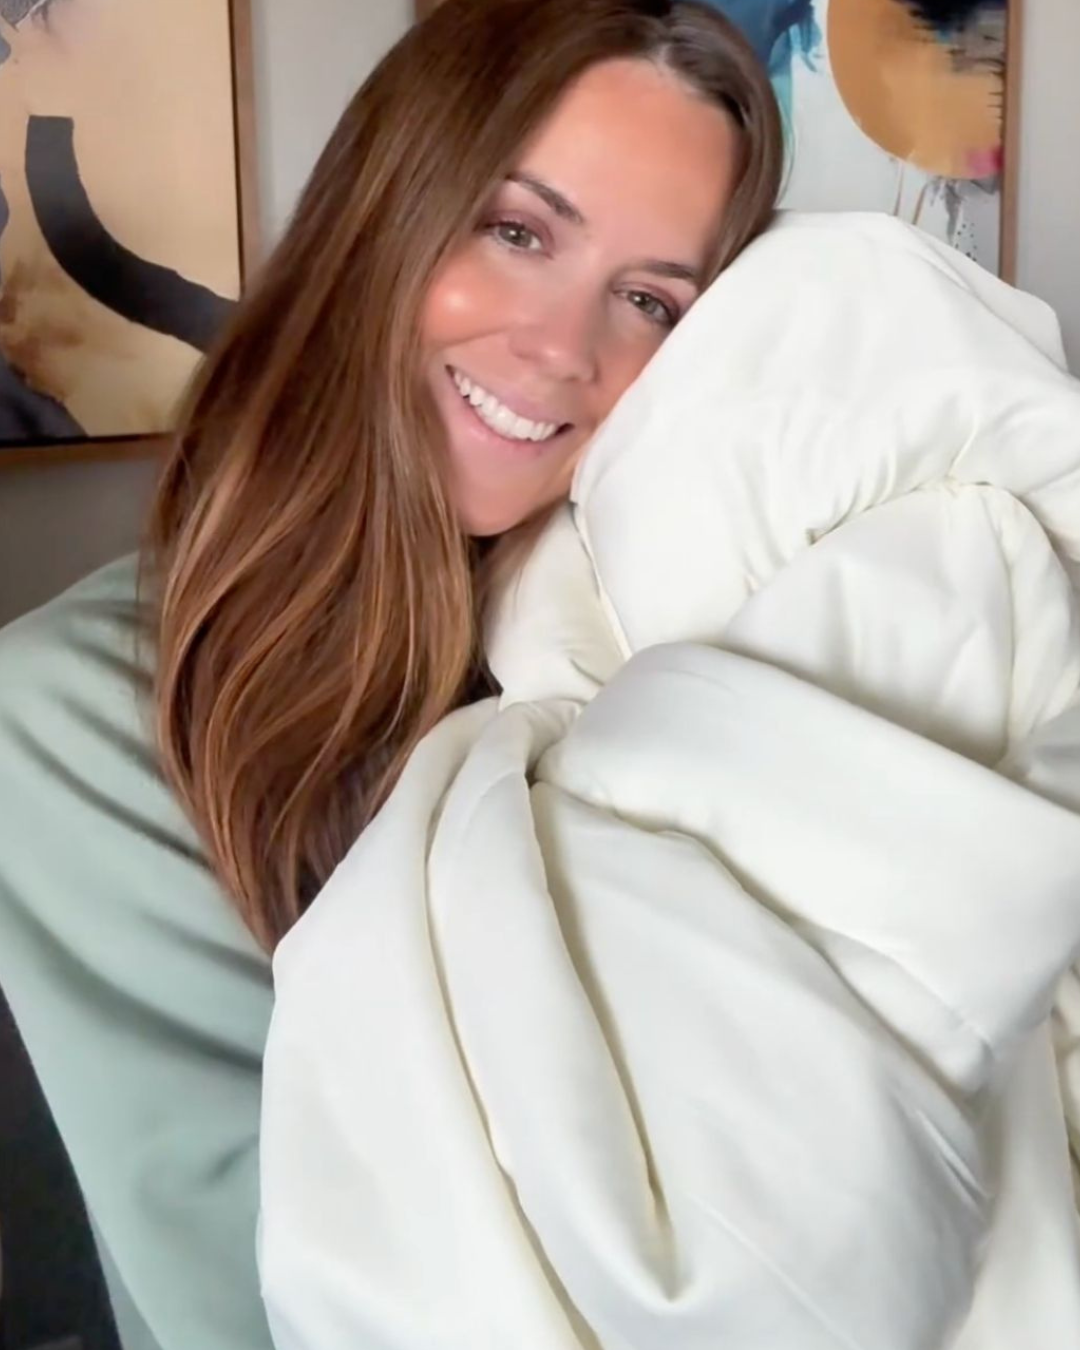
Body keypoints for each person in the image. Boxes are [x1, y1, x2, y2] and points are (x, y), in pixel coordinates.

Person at [0, 3, 782, 1348]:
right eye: (519, 231)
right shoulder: (71, 720)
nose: (565, 349)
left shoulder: (663, 648)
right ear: (382, 215)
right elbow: (278, 1295)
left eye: (650, 299)